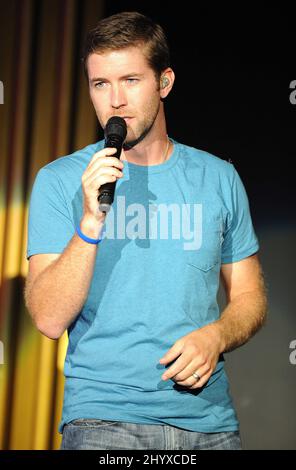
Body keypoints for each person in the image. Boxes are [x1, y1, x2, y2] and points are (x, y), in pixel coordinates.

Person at [25, 11, 267, 450]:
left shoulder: (218, 177)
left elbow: (250, 297)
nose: (115, 100)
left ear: (165, 82)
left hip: (209, 424)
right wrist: (90, 222)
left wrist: (217, 334)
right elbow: (48, 317)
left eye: (131, 80)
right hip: (103, 422)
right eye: (101, 84)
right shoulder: (60, 180)